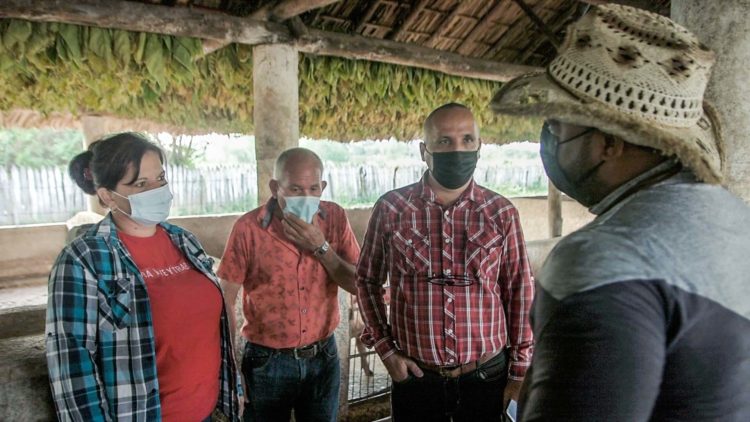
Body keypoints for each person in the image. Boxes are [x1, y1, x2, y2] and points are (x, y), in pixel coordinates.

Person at [491, 4, 750, 421]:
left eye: (558, 126)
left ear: (608, 143)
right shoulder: (736, 221)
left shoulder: (602, 259)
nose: (550, 139)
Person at [356, 103, 535, 421]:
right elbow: (367, 281)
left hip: (486, 376)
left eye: (467, 140)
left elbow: (520, 289)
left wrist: (519, 370)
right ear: (424, 151)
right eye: (444, 141)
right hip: (416, 378)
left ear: (479, 146)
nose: (458, 150)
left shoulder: (501, 213)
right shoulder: (392, 209)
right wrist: (386, 350)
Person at [46, 132, 240, 421]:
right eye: (140, 184)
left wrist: (234, 388)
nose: (157, 190)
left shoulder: (184, 241)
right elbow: (72, 365)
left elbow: (212, 333)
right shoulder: (83, 258)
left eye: (160, 178)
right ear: (107, 196)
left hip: (206, 413)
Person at [218, 147, 360, 422]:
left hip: (323, 355)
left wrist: (321, 247)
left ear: (323, 187)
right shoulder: (248, 229)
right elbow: (225, 298)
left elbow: (357, 283)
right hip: (266, 361)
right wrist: (231, 367)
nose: (306, 197)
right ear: (275, 188)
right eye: (295, 189)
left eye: (313, 188)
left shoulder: (335, 219)